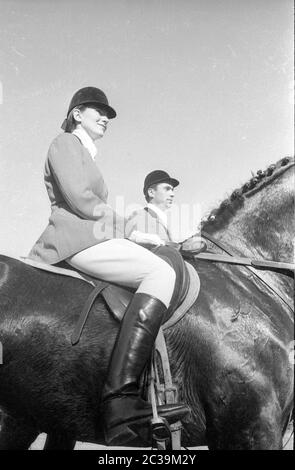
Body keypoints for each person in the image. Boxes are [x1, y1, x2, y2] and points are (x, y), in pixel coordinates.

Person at [28, 87, 187, 445]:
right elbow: (83, 201)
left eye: (108, 114)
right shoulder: (65, 143)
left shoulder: (85, 152)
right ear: (76, 114)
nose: (104, 117)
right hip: (76, 239)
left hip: (92, 236)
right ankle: (119, 398)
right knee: (160, 272)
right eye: (96, 110)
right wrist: (131, 230)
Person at [127, 170, 179, 246]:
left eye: (172, 190)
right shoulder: (140, 216)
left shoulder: (160, 218)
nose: (172, 194)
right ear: (151, 192)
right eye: (167, 189)